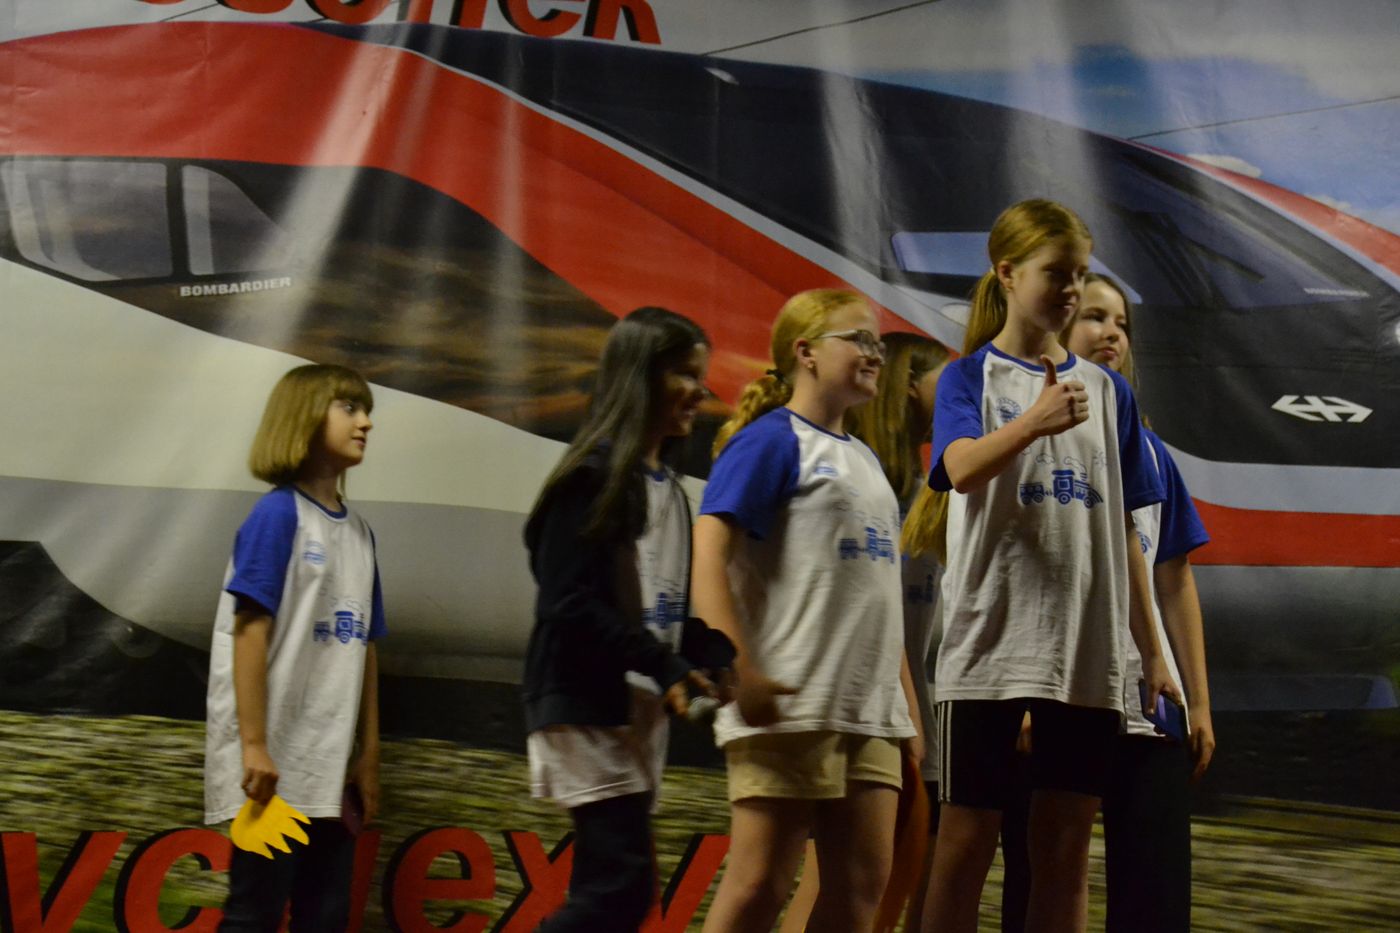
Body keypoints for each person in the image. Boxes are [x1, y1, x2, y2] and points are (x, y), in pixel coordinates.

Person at [921, 200, 1179, 933]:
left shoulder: (1109, 391)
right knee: (967, 840)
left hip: (1085, 652)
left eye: (1079, 274)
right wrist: (1033, 421)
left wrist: (1152, 651)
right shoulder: (969, 377)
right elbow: (957, 469)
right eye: (1055, 273)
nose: (1069, 289)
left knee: (1064, 849)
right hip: (989, 646)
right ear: (1007, 274)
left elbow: (1124, 532)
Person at [692, 288, 923, 933]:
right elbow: (707, 555)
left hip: (868, 713)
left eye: (878, 343)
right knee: (759, 886)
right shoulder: (771, 442)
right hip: (793, 704)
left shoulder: (866, 460)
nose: (875, 353)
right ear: (806, 353)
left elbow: (877, 597)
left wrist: (904, 710)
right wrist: (739, 669)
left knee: (861, 892)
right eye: (859, 339)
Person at [523, 306, 718, 932]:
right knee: (620, 889)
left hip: (634, 709)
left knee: (612, 895)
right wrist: (665, 665)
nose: (700, 392)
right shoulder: (591, 479)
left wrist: (714, 657)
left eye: (701, 377)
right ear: (640, 377)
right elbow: (567, 603)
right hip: (586, 701)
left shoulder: (670, 489)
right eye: (684, 375)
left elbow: (663, 613)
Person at [779, 332, 952, 932]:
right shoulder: (862, 477)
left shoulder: (921, 483)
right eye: (944, 379)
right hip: (860, 703)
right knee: (828, 880)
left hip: (909, 704)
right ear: (911, 385)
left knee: (885, 879)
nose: (957, 393)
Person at [204, 363, 385, 932]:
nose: (366, 422)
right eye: (349, 408)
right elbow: (249, 631)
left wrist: (369, 754)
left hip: (331, 770)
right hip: (274, 771)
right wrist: (255, 746)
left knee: (326, 916)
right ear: (304, 418)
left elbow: (365, 647)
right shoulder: (277, 515)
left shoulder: (361, 533)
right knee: (253, 915)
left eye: (366, 410)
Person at [1063, 272, 1215, 932]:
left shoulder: (1151, 452)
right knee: (1049, 882)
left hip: (1151, 703)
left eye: (1122, 323)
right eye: (1095, 317)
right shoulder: (1029, 434)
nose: (1112, 334)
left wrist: (1199, 701)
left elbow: (1174, 579)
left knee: (1156, 899)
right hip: (1062, 692)